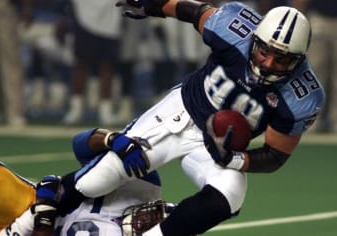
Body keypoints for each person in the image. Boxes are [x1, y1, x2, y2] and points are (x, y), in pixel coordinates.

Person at [45, 1, 324, 235]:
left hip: (214, 144)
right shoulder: (234, 29)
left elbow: (275, 155)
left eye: (282, 60)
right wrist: (153, 5)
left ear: (299, 60)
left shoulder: (302, 95)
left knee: (228, 196)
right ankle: (37, 207)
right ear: (254, 41)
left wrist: (234, 159)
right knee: (99, 180)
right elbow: (194, 12)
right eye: (265, 52)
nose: (269, 64)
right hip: (179, 113)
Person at [0, 105, 163, 236]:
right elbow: (80, 144)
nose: (148, 220)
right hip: (28, 204)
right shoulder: (144, 183)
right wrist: (111, 139)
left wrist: (43, 221)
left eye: (151, 225)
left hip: (36, 225)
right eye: (155, 216)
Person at [292, 0, 337, 133]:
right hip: (318, 17)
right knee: (314, 73)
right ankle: (311, 119)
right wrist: (299, 16)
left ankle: (335, 121)